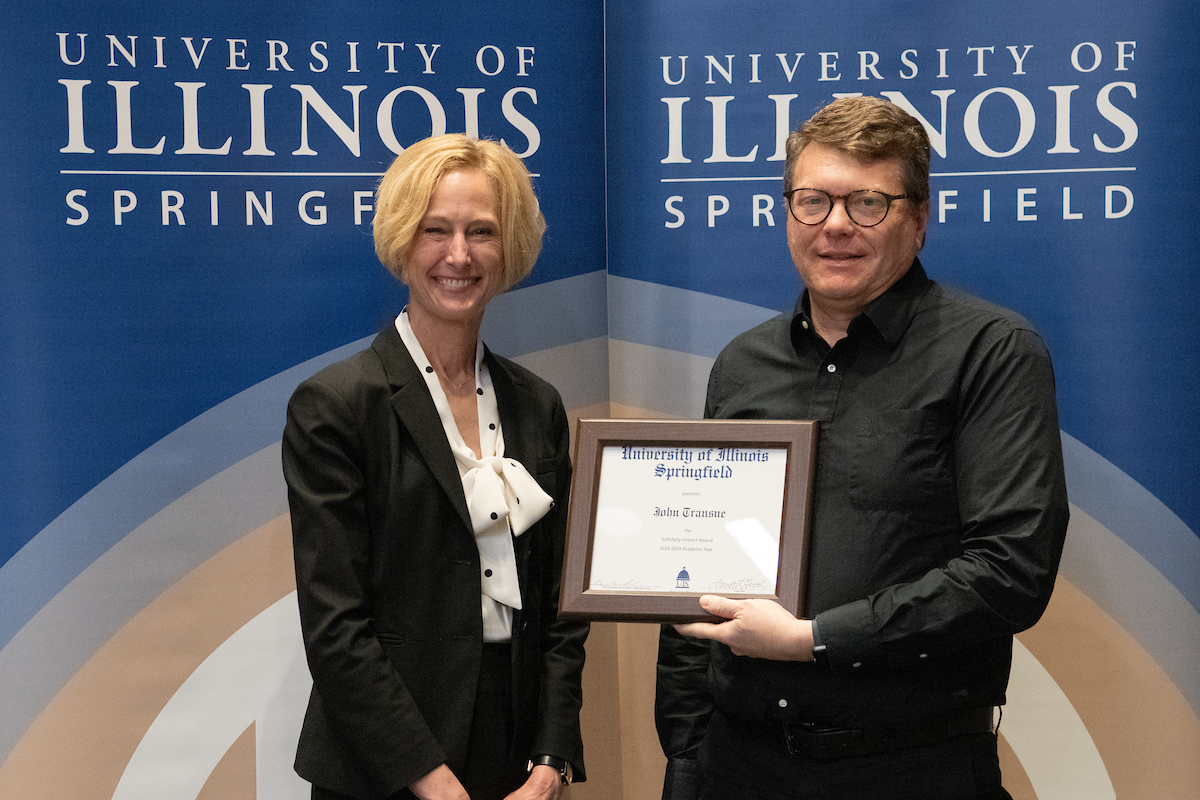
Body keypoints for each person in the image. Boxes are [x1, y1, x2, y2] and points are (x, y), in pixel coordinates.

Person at [655, 96, 1069, 799]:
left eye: (868, 203)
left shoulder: (991, 353)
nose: (836, 226)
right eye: (812, 201)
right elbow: (699, 567)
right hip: (738, 767)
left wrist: (815, 638)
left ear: (919, 218)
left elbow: (1010, 570)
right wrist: (688, 752)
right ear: (788, 212)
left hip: (914, 768)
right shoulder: (741, 365)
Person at [283, 134, 587, 800]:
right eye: (435, 231)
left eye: (482, 231)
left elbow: (561, 609)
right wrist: (430, 781)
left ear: (509, 247)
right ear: (401, 241)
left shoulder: (537, 405)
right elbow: (336, 628)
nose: (459, 255)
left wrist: (552, 757)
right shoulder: (335, 406)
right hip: (383, 761)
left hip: (514, 755)